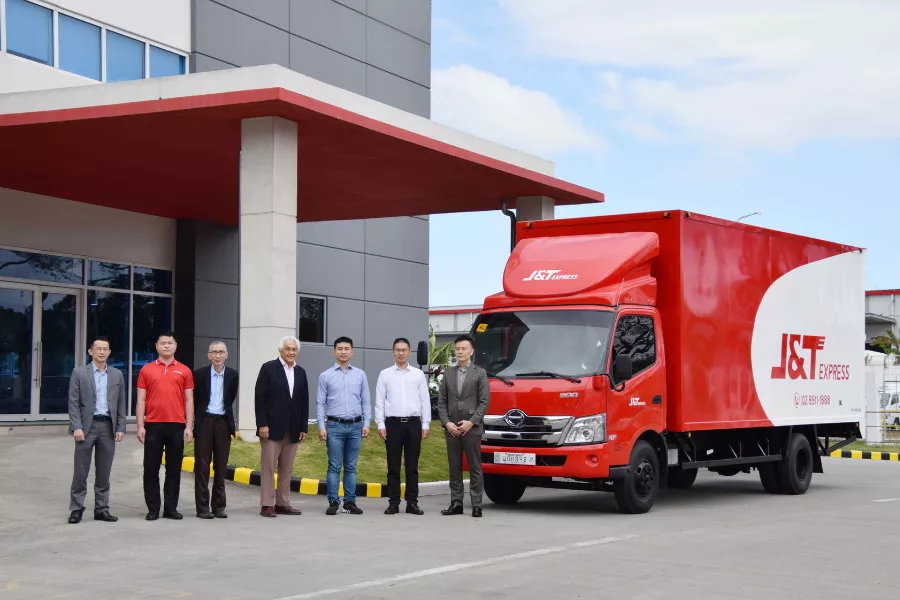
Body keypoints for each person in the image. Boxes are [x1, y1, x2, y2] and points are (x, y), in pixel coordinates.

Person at [66, 337, 127, 524]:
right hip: (86, 427)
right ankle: (76, 509)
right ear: (90, 352)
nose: (102, 352)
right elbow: (73, 402)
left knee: (104, 471)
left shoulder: (117, 374)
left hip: (108, 426)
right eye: (98, 348)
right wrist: (76, 426)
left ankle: (101, 509)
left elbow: (121, 403)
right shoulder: (79, 373)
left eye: (105, 349)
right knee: (81, 471)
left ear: (109, 352)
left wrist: (121, 427)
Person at [136, 331, 195, 521]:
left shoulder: (185, 370)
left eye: (170, 343)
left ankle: (171, 508)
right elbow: (140, 400)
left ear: (175, 346)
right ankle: (153, 508)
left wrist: (189, 426)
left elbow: (189, 400)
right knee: (150, 469)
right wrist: (140, 426)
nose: (166, 346)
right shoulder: (146, 370)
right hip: (153, 425)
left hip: (177, 425)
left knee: (173, 470)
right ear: (157, 346)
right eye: (163, 343)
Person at [374, 337, 431, 515]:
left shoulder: (418, 375)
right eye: (397, 350)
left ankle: (412, 502)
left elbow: (425, 400)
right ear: (393, 352)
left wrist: (426, 423)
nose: (400, 353)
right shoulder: (385, 374)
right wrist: (380, 424)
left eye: (404, 350)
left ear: (409, 352)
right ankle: (393, 502)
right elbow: (379, 401)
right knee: (393, 466)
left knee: (412, 467)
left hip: (413, 424)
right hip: (393, 424)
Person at [255, 335, 309, 517]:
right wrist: (262, 424)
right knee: (268, 467)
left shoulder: (301, 372)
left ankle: (283, 502)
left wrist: (303, 427)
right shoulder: (269, 368)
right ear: (281, 350)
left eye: (294, 349)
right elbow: (260, 398)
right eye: (288, 349)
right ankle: (267, 504)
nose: (291, 352)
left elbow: (304, 401)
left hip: (293, 428)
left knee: (287, 468)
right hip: (271, 428)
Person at [316, 337, 371, 516]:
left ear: (352, 351)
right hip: (334, 426)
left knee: (351, 466)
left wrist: (367, 423)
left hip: (356, 426)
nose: (343, 352)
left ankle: (350, 501)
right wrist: (321, 426)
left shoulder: (360, 375)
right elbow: (319, 403)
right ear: (334, 351)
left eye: (347, 348)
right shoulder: (325, 376)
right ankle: (333, 501)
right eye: (340, 348)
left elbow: (366, 401)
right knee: (334, 466)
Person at [438, 335, 490, 518]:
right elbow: (442, 401)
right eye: (457, 349)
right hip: (452, 427)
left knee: (475, 467)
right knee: (454, 467)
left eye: (463, 349)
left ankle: (477, 505)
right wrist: (446, 422)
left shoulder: (480, 373)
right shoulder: (448, 373)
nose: (460, 352)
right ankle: (456, 503)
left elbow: (484, 402)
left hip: (472, 428)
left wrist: (472, 422)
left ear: (471, 351)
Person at [192, 341, 239, 519]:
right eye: (214, 352)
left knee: (221, 466)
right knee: (202, 466)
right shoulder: (199, 374)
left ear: (226, 355)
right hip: (205, 421)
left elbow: (230, 398)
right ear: (209, 355)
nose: (218, 355)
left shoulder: (233, 375)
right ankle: (202, 508)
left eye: (221, 352)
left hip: (222, 423)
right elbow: (196, 399)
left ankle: (218, 506)